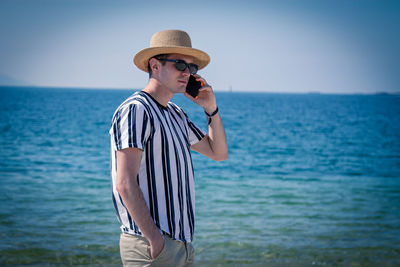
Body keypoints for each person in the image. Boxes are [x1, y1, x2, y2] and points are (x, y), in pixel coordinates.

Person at [109, 29, 228, 266]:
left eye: (191, 69)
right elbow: (124, 183)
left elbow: (219, 153)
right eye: (179, 65)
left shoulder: (176, 115)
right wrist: (156, 241)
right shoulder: (136, 109)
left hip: (182, 246)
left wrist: (211, 108)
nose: (187, 73)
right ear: (155, 65)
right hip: (150, 245)